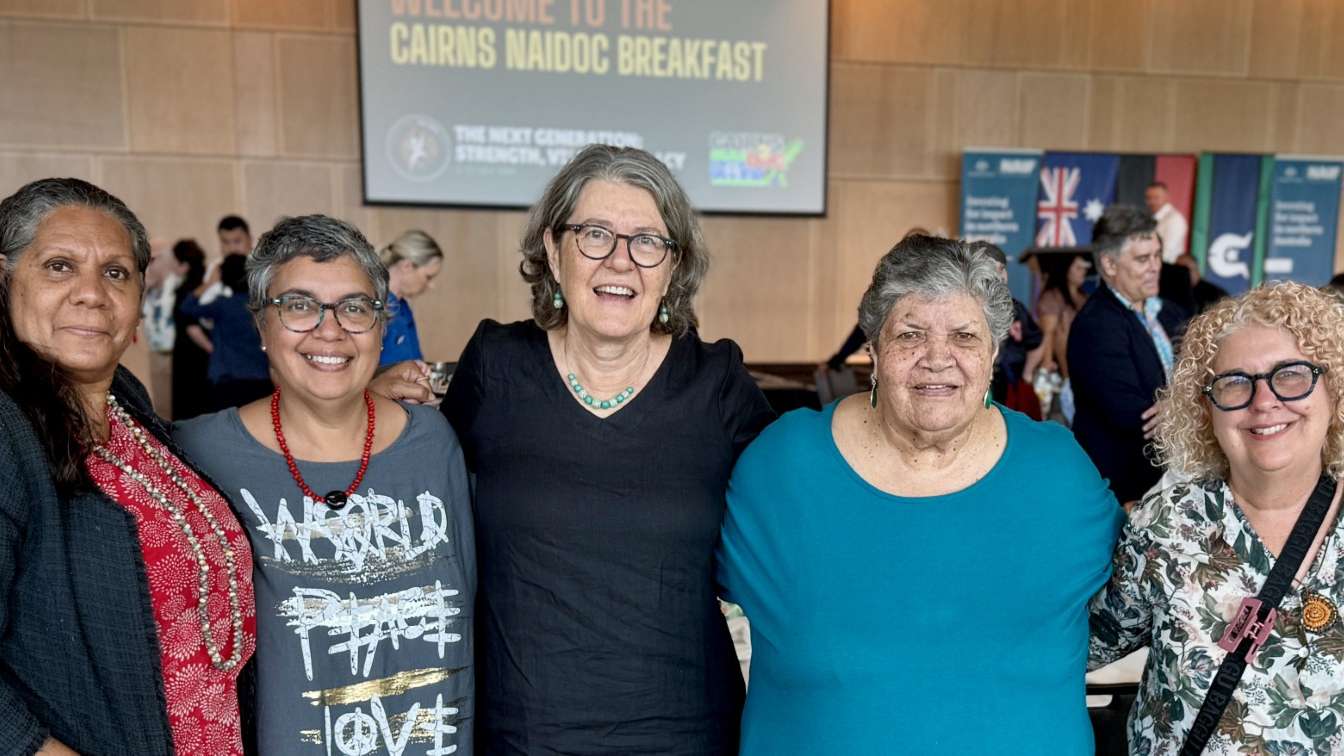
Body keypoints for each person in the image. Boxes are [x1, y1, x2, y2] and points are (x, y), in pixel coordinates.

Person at [717, 235, 1122, 754]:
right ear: (874, 349)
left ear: (994, 351)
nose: (937, 358)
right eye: (910, 335)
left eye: (964, 336)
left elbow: (1140, 590)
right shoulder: (783, 468)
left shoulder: (1058, 474)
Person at [442, 144, 774, 754]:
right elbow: (416, 483)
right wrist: (367, 401)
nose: (621, 260)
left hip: (687, 732)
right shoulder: (496, 366)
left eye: (648, 240)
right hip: (521, 732)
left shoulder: (716, 382)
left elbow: (798, 508)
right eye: (595, 234)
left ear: (673, 267)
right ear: (552, 249)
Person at [173, 215, 475, 755]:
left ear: (383, 325)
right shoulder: (196, 455)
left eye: (355, 307)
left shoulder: (437, 444)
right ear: (261, 325)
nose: (329, 329)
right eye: (298, 305)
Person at [0, 177, 257, 754]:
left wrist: (356, 397)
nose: (91, 293)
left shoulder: (131, 412)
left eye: (115, 272)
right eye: (59, 266)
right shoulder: (6, 429)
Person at [1090, 282, 1344, 754]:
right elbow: (1079, 646)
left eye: (1290, 375)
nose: (1264, 402)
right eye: (1234, 383)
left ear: (1333, 387)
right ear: (1205, 409)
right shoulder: (1166, 525)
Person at [1069, 205, 1189, 504]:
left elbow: (1207, 375)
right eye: (1142, 259)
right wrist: (1190, 407)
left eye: (1157, 255)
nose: (1155, 266)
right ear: (1109, 264)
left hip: (1170, 484)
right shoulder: (1097, 325)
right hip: (1123, 493)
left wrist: (1180, 405)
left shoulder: (1170, 313)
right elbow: (1135, 416)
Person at [179, 253, 271, 410]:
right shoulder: (261, 306)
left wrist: (208, 283)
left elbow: (186, 308)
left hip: (228, 378)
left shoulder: (222, 305)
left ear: (224, 276)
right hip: (260, 377)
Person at [379, 229, 443, 366]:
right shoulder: (375, 306)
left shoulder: (403, 307)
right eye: (428, 277)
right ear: (407, 266)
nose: (431, 285)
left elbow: (416, 361)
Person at [170, 238, 213, 419]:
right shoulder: (208, 283)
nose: (173, 268)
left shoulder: (186, 289)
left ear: (185, 264)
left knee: (189, 406)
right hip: (205, 353)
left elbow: (190, 327)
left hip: (190, 353)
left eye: (176, 263)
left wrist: (212, 349)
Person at [141, 238, 181, 416]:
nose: (150, 266)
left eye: (154, 260)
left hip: (177, 353)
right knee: (161, 403)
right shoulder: (149, 289)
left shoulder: (178, 286)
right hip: (156, 352)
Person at [1036, 252, 1090, 378]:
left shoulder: (1085, 298)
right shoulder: (1052, 297)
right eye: (1078, 268)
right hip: (1062, 370)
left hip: (1085, 364)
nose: (1083, 272)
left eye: (1085, 268)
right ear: (1066, 269)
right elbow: (1048, 333)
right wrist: (1047, 363)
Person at [1145, 182, 1188, 263]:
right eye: (1148, 198)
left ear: (1167, 197)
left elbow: (1166, 252)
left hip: (1167, 269)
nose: (1152, 202)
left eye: (1156, 198)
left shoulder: (1174, 219)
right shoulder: (1150, 218)